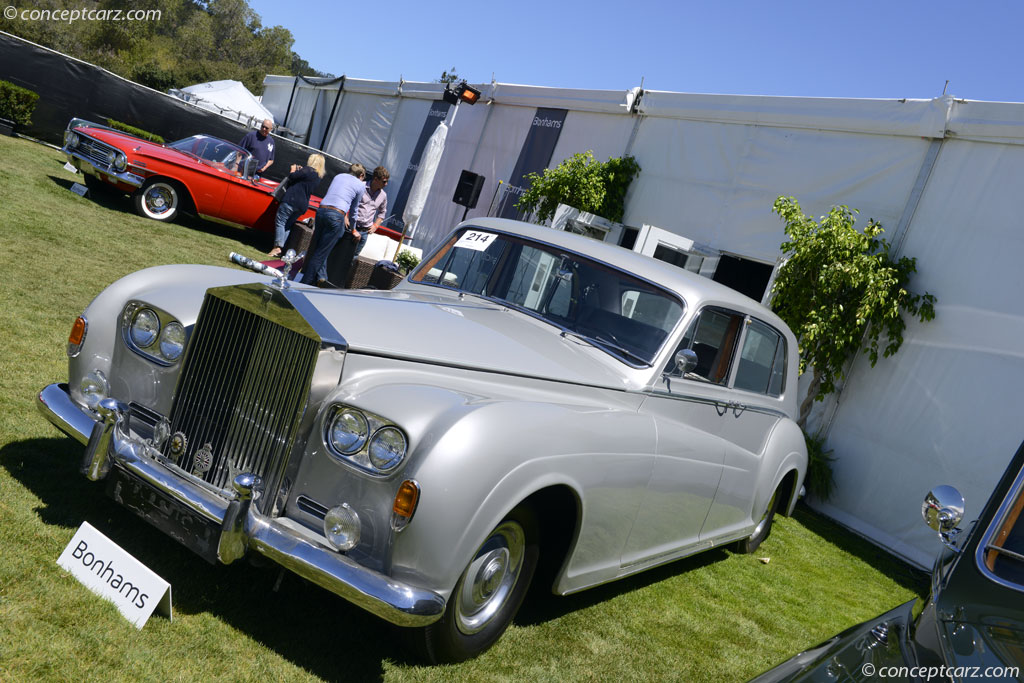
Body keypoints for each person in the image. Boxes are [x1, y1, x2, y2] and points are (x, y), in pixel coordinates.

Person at [300, 163, 366, 288]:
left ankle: (322, 277)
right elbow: (354, 211)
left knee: (320, 248)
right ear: (361, 175)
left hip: (321, 211)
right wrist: (353, 229)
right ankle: (303, 284)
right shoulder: (360, 185)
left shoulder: (339, 176)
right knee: (321, 253)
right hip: (336, 216)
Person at [270, 153, 325, 258]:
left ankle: (277, 247)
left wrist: (293, 170)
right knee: (288, 225)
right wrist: (299, 171)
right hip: (302, 205)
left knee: (280, 222)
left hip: (291, 200)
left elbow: (292, 177)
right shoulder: (318, 176)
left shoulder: (307, 170)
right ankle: (281, 249)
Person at [351, 166, 389, 263]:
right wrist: (346, 218)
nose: (386, 184)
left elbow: (382, 212)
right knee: (341, 253)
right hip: (352, 226)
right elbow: (349, 202)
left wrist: (376, 225)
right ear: (376, 179)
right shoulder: (361, 186)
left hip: (365, 231)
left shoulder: (383, 195)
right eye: (384, 181)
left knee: (354, 258)